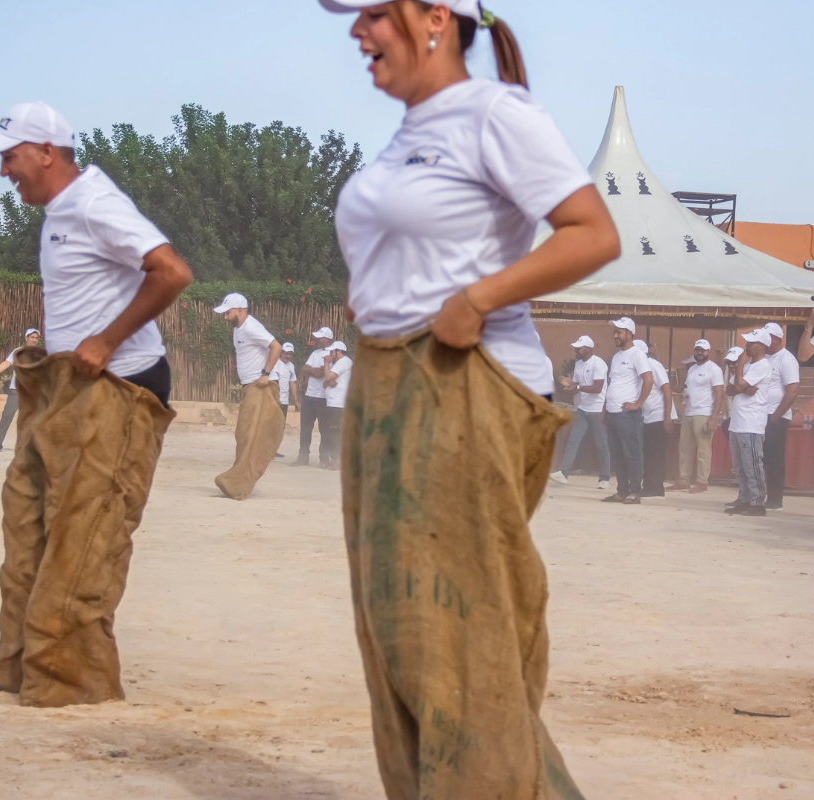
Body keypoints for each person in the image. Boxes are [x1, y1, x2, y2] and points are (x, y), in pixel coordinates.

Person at [320, 0, 620, 795]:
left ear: (435, 19)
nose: (358, 32)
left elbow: (592, 232)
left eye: (376, 14)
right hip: (387, 381)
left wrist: (479, 298)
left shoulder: (495, 113)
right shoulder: (409, 135)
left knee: (458, 635)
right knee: (399, 631)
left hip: (468, 382)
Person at [0, 101, 193, 708]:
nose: (3, 171)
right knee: (27, 521)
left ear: (47, 152)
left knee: (85, 535)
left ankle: (72, 679)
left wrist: (107, 338)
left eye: (9, 157)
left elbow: (171, 271)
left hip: (118, 387)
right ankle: (20, 661)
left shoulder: (95, 202)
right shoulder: (56, 212)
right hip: (64, 387)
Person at [213, 293, 286, 499]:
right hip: (250, 386)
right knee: (244, 435)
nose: (225, 316)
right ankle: (237, 481)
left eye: (228, 312)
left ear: (240, 310)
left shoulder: (252, 327)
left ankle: (238, 486)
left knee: (251, 436)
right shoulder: (238, 329)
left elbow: (276, 347)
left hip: (260, 387)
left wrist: (265, 374)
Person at [603, 318, 653, 504]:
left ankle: (634, 492)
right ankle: (621, 491)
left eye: (620, 332)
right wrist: (604, 410)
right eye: (615, 332)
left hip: (627, 415)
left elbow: (648, 380)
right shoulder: (616, 357)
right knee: (616, 454)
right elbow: (612, 384)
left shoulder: (637, 355)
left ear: (630, 333)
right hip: (612, 413)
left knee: (631, 453)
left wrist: (638, 403)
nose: (616, 335)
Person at [725, 329, 774, 516]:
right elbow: (729, 389)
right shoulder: (747, 366)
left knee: (752, 463)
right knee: (739, 465)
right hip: (738, 422)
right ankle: (745, 498)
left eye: (751, 343)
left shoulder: (762, 365)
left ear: (761, 346)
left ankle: (758, 502)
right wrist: (743, 388)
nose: (746, 346)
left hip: (751, 422)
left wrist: (740, 370)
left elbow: (736, 385)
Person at [552, 335, 610, 489]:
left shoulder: (599, 364)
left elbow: (597, 388)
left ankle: (604, 478)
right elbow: (575, 388)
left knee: (601, 444)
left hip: (597, 409)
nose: (576, 350)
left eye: (579, 348)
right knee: (573, 441)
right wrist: (569, 386)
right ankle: (563, 473)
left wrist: (576, 387)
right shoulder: (578, 365)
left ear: (589, 349)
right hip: (582, 409)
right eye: (575, 348)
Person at [667, 339, 724, 494]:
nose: (700, 353)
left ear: (708, 352)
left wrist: (713, 417)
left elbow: (719, 395)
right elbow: (686, 389)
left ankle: (701, 481)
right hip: (689, 413)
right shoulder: (692, 370)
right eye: (697, 350)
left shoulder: (714, 369)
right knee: (685, 449)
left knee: (703, 450)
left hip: (704, 414)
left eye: (703, 350)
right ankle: (683, 480)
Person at [0, 328, 41, 452]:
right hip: (16, 390)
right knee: (7, 416)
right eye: (32, 337)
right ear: (26, 338)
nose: (34, 340)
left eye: (36, 338)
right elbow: (6, 364)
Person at [761, 322, 800, 511]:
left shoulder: (786, 359)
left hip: (776, 416)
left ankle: (775, 499)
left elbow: (792, 391)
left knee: (774, 458)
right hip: (759, 415)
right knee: (762, 457)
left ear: (776, 338)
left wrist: (776, 416)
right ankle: (760, 494)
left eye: (767, 337)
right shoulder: (763, 358)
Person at [635, 341, 676, 498]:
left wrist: (667, 417)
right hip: (647, 417)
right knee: (648, 453)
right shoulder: (638, 368)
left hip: (659, 416)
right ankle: (649, 486)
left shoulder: (653, 365)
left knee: (656, 454)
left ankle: (656, 488)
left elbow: (666, 390)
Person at [294, 326, 335, 466]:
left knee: (325, 429)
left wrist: (313, 370)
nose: (317, 340)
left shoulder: (333, 354)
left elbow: (320, 373)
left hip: (324, 397)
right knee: (305, 427)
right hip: (310, 395)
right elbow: (304, 369)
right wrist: (315, 370)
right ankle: (303, 456)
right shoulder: (315, 353)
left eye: (320, 338)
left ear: (328, 339)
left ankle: (323, 459)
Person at [321, 340, 353, 469]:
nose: (330, 355)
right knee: (331, 431)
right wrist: (329, 381)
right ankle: (334, 459)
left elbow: (328, 377)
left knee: (336, 432)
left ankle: (337, 460)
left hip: (339, 403)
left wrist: (326, 363)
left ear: (338, 351)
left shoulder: (344, 362)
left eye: (332, 352)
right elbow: (326, 382)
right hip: (333, 403)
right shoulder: (338, 363)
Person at [270, 342, 300, 458]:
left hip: (284, 401)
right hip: (274, 400)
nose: (288, 356)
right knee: (270, 426)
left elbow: (292, 383)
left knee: (280, 427)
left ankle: (274, 450)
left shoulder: (291, 366)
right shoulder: (274, 363)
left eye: (290, 354)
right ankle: (267, 451)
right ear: (281, 353)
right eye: (286, 353)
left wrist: (296, 400)